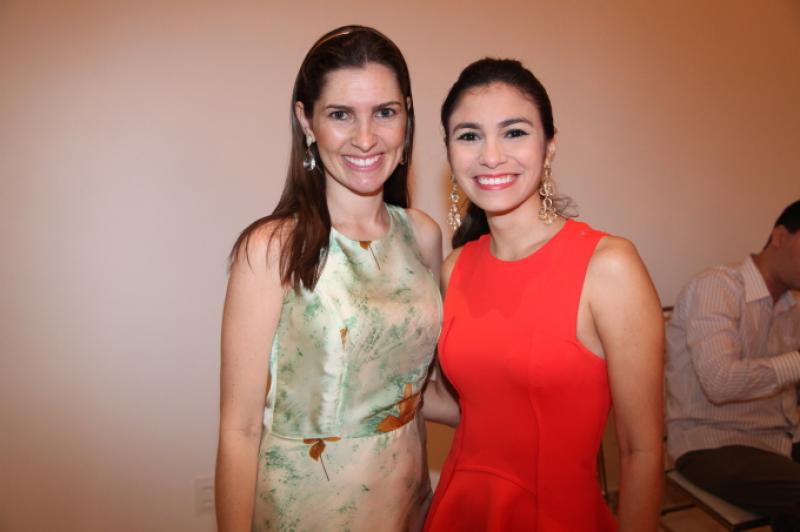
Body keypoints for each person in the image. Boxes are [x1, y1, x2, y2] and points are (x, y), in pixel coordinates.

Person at [215, 25, 442, 532]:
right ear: (307, 121)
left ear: (407, 116)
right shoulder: (271, 248)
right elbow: (239, 429)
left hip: (408, 504)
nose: (365, 138)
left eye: (385, 112)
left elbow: (423, 390)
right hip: (306, 509)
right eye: (341, 114)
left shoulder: (423, 236)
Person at [422, 58, 664, 531]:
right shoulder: (456, 269)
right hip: (460, 510)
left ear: (549, 146)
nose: (491, 155)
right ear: (449, 152)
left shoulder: (608, 267)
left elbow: (642, 450)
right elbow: (474, 409)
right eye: (469, 136)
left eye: (514, 132)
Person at [665, 200, 800, 531]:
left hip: (781, 438)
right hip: (713, 443)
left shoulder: (792, 304)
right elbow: (720, 382)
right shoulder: (716, 287)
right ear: (780, 236)